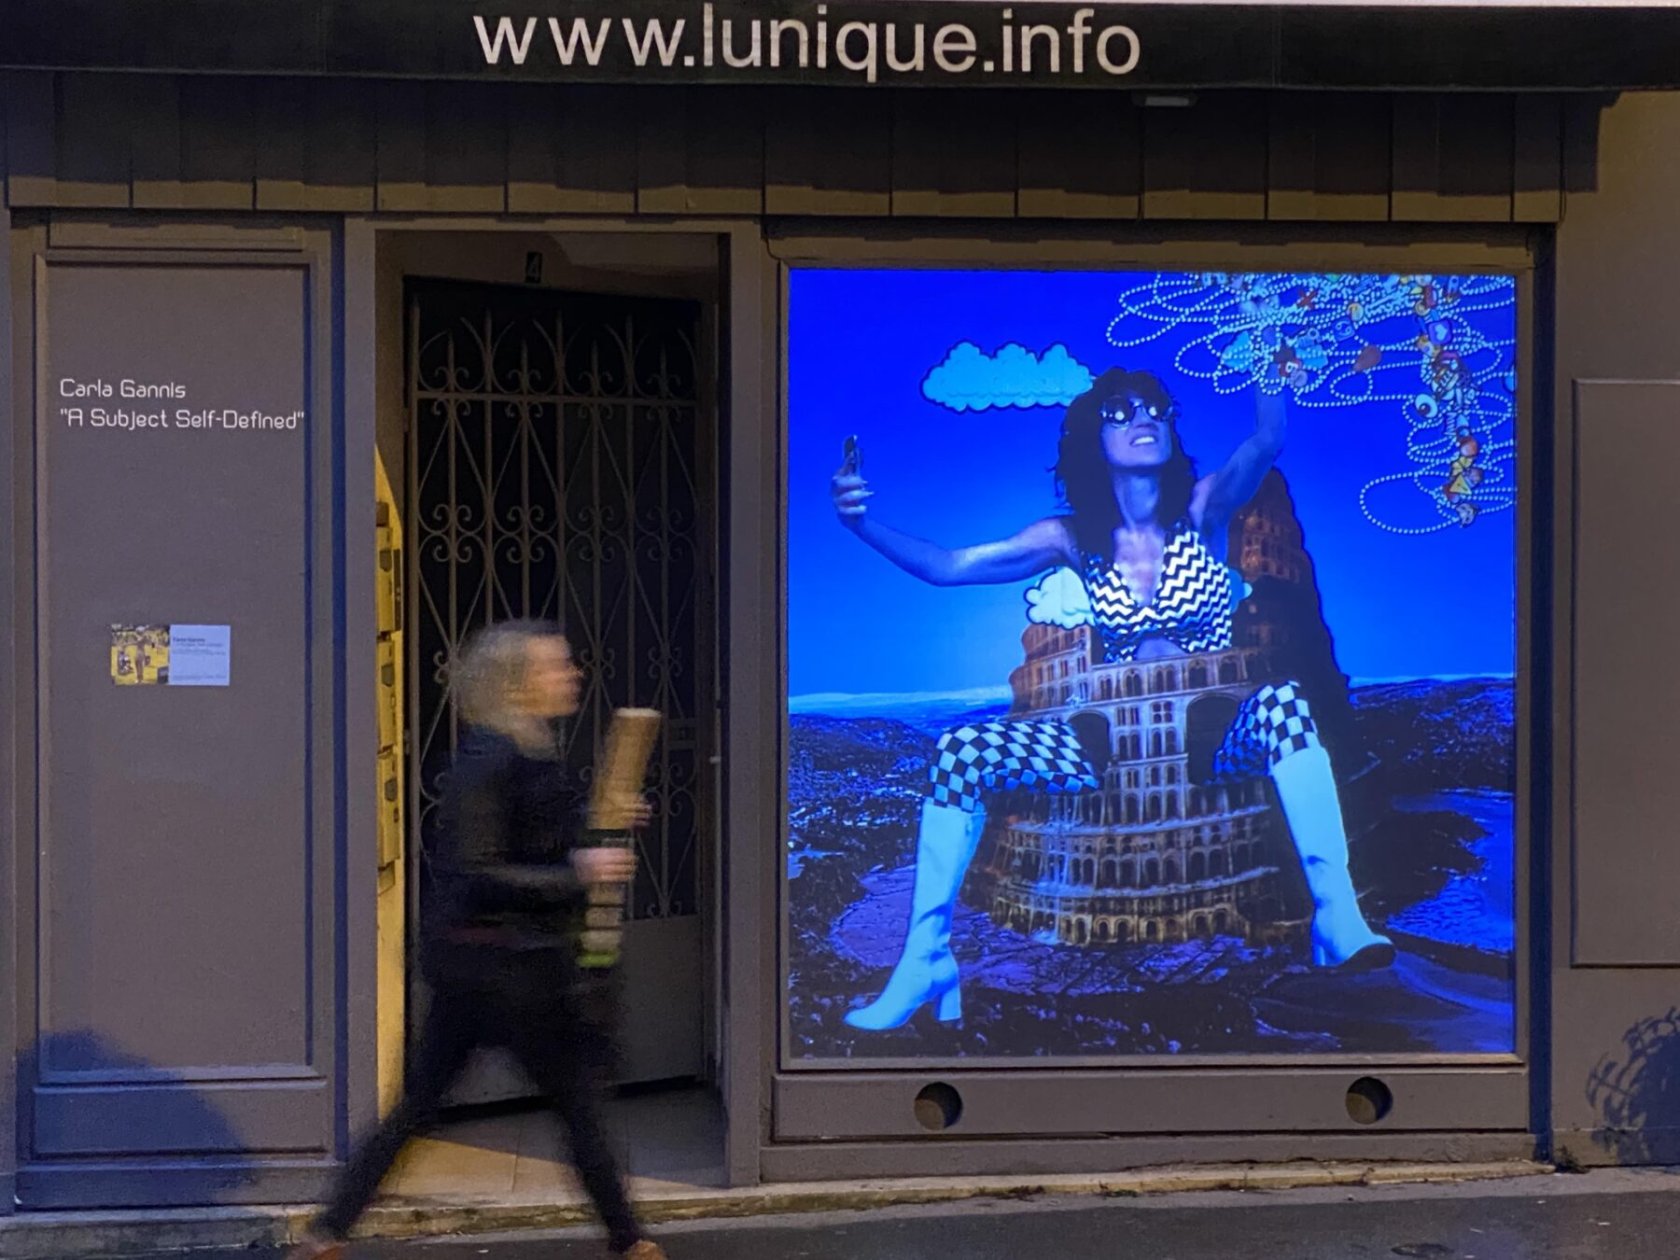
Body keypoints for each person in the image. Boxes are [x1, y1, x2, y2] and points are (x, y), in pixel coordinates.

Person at [831, 368, 1394, 1033]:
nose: (1143, 418)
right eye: (1121, 412)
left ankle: (1336, 914)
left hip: (1210, 734)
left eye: (1156, 408)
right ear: (1091, 439)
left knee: (1284, 705)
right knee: (960, 752)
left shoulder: (1203, 509)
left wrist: (1268, 353)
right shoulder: (1071, 539)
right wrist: (862, 524)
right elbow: (949, 566)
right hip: (1114, 737)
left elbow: (1266, 440)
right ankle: (925, 961)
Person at [288, 621, 664, 1260]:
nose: (571, 675)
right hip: (504, 968)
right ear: (516, 685)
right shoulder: (488, 758)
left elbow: (538, 834)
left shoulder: (529, 748)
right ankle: (630, 1242)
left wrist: (602, 822)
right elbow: (476, 869)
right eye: (554, 667)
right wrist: (576, 871)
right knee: (571, 1105)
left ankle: (328, 1232)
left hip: (494, 965)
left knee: (429, 1105)